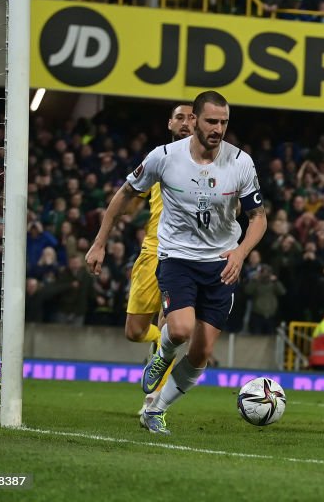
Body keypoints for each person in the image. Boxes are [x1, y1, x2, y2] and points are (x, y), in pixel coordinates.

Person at [86, 91, 266, 435]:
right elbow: (124, 194)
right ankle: (163, 353)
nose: (218, 129)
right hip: (177, 257)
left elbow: (258, 216)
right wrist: (99, 243)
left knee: (201, 354)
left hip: (221, 263)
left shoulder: (241, 161)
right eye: (212, 121)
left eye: (224, 122)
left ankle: (156, 409)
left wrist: (241, 252)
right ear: (195, 120)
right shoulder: (164, 157)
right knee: (180, 329)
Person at [122, 104, 191, 415]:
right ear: (169, 123)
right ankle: (159, 346)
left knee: (171, 324)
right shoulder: (158, 157)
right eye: (180, 117)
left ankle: (154, 400)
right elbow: (131, 196)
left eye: (192, 117)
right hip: (152, 250)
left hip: (183, 256)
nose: (186, 123)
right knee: (135, 331)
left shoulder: (211, 159)